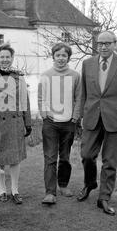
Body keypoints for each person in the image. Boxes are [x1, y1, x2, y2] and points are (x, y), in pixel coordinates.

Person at [77, 30, 117, 216]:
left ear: (115, 44)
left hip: (116, 119)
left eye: (107, 43)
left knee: (109, 161)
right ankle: (90, 184)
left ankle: (104, 197)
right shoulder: (87, 64)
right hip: (91, 117)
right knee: (87, 155)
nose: (103, 47)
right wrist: (80, 115)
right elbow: (83, 93)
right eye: (100, 43)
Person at [38, 42, 81, 205]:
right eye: (58, 55)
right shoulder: (46, 75)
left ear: (68, 57)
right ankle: (50, 192)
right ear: (53, 57)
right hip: (50, 123)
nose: (61, 58)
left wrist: (75, 117)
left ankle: (63, 185)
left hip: (69, 122)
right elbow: (41, 97)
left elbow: (79, 98)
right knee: (50, 157)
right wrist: (44, 114)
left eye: (64, 55)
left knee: (65, 156)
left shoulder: (76, 76)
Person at [0, 43, 32, 205]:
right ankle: (3, 190)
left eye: (7, 57)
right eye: (2, 57)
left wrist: (27, 122)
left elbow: (25, 100)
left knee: (15, 159)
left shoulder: (19, 77)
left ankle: (15, 190)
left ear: (12, 58)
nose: (4, 60)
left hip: (15, 122)